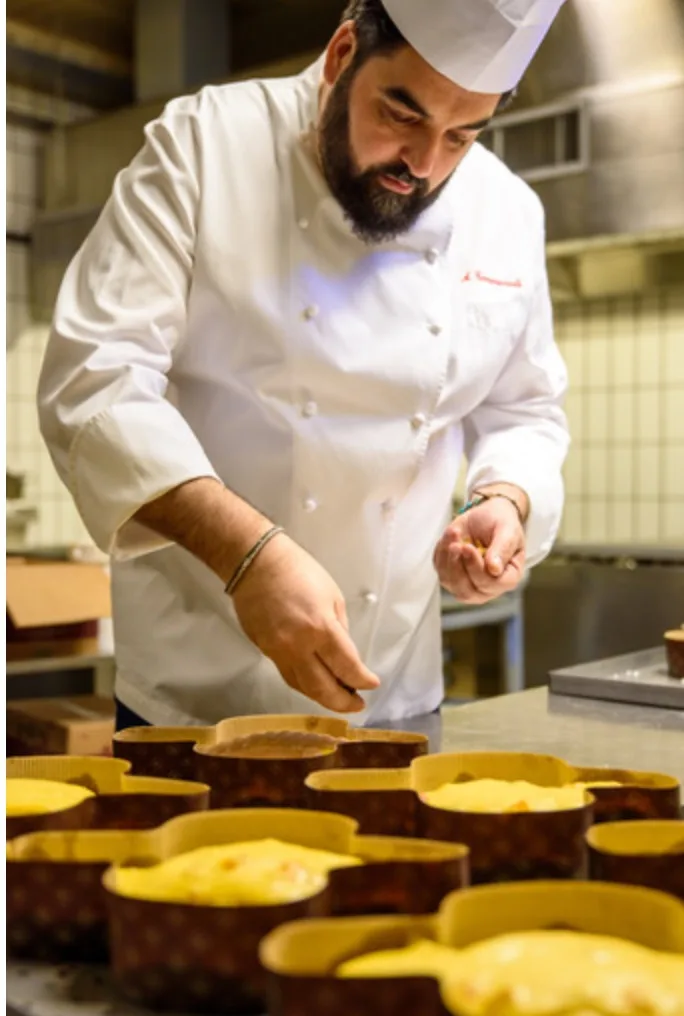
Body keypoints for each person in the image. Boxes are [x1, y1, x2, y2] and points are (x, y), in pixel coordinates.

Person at [38, 0, 570, 730]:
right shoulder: (206, 143)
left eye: (462, 136)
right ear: (343, 52)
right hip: (195, 703)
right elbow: (95, 376)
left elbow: (526, 411)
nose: (423, 165)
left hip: (394, 700)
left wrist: (505, 500)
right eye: (401, 115)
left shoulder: (507, 210)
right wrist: (248, 556)